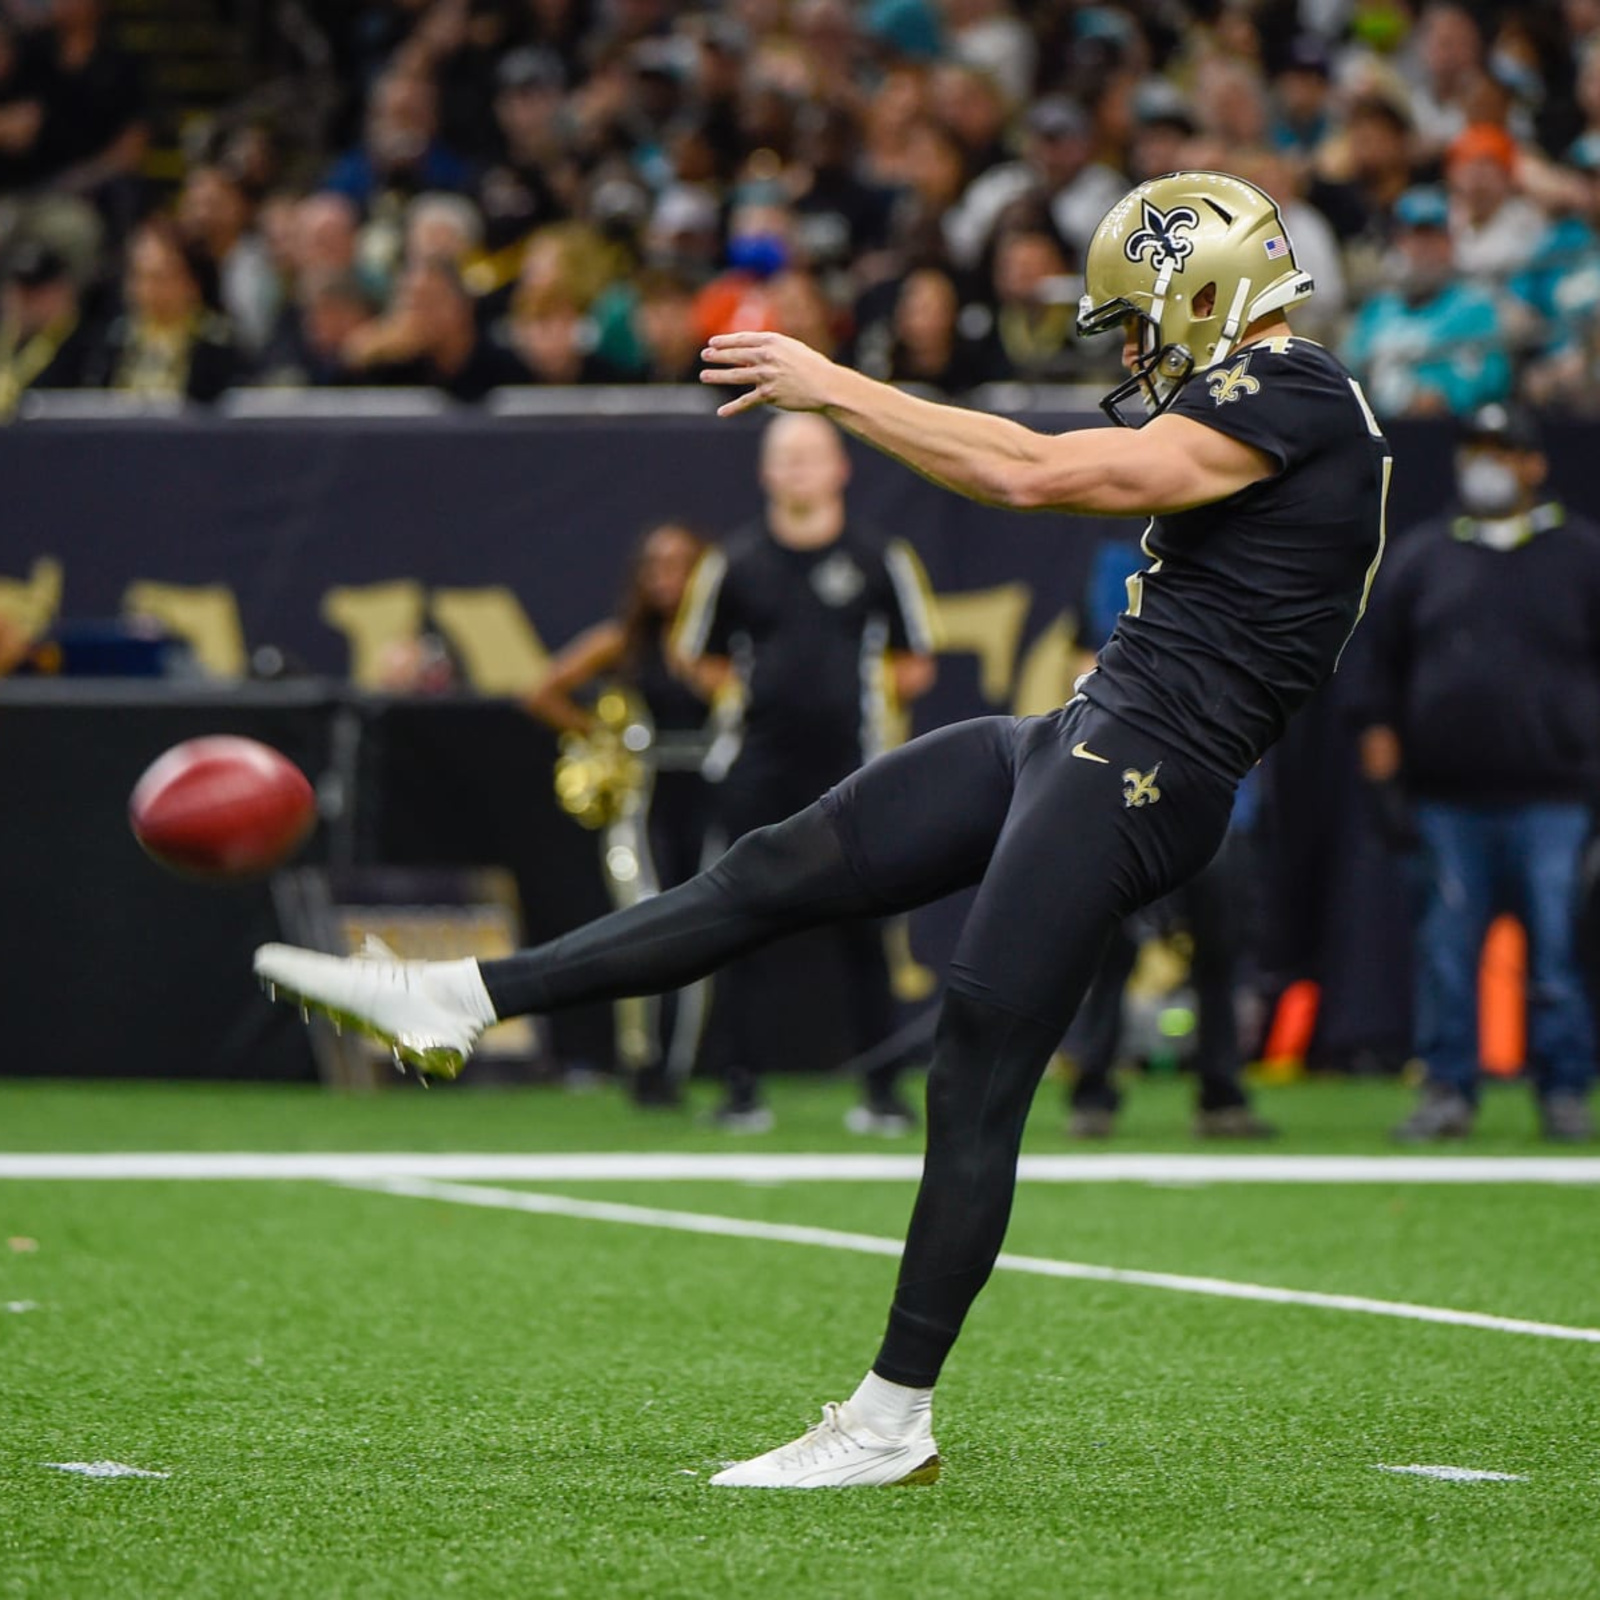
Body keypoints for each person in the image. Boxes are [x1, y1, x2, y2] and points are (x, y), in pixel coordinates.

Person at [255, 170, 1389, 1488]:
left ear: (1209, 293)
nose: (1132, 354)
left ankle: (891, 1419)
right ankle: (459, 997)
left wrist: (837, 384)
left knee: (974, 1063)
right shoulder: (1276, 402)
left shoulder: (1290, 391)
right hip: (1079, 735)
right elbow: (1036, 473)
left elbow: (1038, 474)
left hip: (1145, 766)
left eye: (1141, 322)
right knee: (773, 867)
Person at [671, 413, 937, 1133]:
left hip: (855, 771)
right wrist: (753, 694)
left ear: (839, 468)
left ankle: (882, 1093)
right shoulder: (736, 560)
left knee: (865, 930)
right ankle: (737, 1088)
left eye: (808, 458)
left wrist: (863, 700)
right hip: (755, 768)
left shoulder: (881, 556)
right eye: (782, 459)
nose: (795, 472)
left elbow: (916, 660)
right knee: (737, 924)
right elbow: (694, 653)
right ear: (764, 473)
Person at [1357, 404, 1600, 1144]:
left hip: (1553, 794)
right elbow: (1374, 674)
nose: (1485, 464)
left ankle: (1563, 1090)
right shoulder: (1422, 555)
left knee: (1557, 951)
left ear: (1536, 465)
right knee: (1446, 953)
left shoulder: (1583, 554)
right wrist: (1382, 770)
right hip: (1445, 796)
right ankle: (1447, 1089)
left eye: (1502, 451)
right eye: (1476, 450)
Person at [524, 522, 715, 1107]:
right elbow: (542, 692)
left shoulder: (722, 643)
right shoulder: (624, 642)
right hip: (647, 796)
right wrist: (603, 735)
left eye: (681, 565)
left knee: (711, 925)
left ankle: (684, 1065)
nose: (667, 579)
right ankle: (643, 1062)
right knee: (647, 921)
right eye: (655, 567)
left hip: (712, 794)